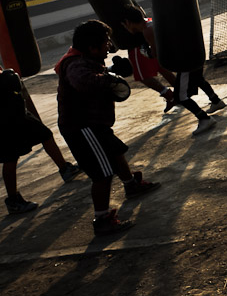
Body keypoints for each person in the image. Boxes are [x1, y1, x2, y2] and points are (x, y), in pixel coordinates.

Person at [55, 20, 160, 235]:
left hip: (95, 124)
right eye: (104, 44)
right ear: (92, 47)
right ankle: (102, 219)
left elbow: (91, 71)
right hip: (82, 127)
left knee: (116, 151)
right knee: (102, 173)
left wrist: (112, 69)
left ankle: (131, 184)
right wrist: (109, 79)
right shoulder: (74, 64)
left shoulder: (83, 57)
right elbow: (82, 80)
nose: (108, 48)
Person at [121, 4, 224, 136]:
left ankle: (204, 119)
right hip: (192, 52)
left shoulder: (147, 31)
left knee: (180, 96)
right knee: (198, 79)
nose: (125, 28)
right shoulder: (150, 22)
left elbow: (157, 54)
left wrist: (147, 52)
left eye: (124, 25)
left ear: (128, 22)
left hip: (186, 59)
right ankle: (216, 101)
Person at [1, 66, 81, 214]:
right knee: (10, 156)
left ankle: (65, 169)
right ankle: (13, 200)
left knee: (45, 134)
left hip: (14, 107)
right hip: (3, 115)